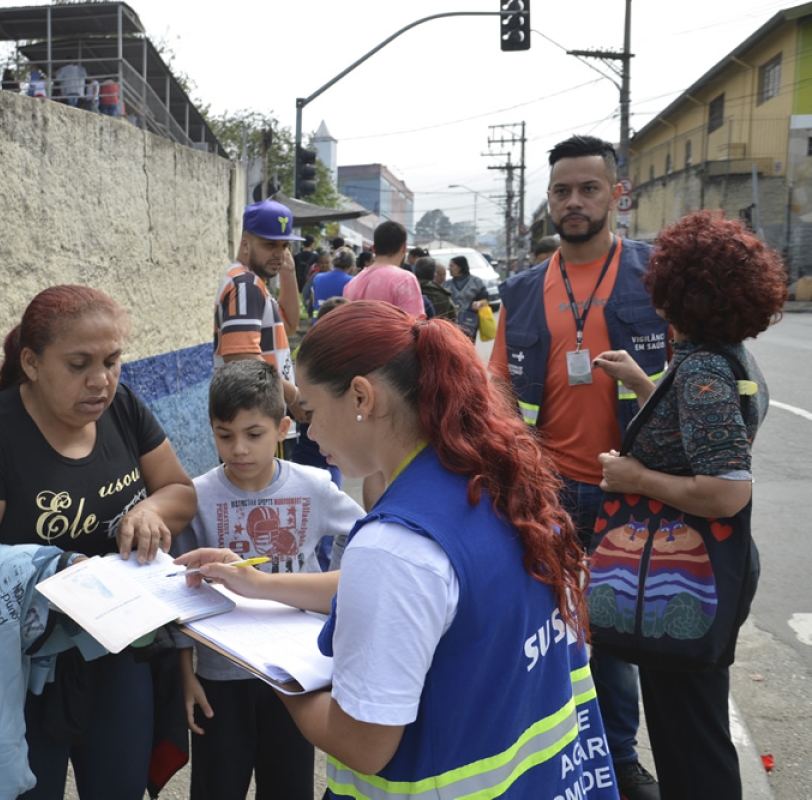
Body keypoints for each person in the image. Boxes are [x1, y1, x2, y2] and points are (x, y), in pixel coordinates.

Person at [176, 303, 618, 800]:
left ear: (362, 396)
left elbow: (361, 744)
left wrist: (280, 676)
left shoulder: (394, 547)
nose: (311, 433)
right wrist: (259, 583)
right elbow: (422, 598)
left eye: (312, 413)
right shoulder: (501, 485)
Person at [0, 285, 197, 799]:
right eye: (79, 364)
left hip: (112, 645)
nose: (101, 381)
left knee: (120, 786)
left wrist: (148, 509)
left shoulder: (121, 408)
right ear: (30, 363)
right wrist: (47, 570)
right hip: (18, 659)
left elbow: (180, 491)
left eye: (112, 360)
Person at [489, 134, 671, 800]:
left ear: (618, 196)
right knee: (550, 627)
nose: (574, 201)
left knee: (618, 636)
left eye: (589, 188)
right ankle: (561, 748)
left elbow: (695, 385)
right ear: (549, 200)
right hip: (550, 493)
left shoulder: (656, 278)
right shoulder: (524, 290)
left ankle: (619, 756)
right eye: (562, 190)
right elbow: (501, 399)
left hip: (634, 490)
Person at [592, 211, 787, 800]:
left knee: (689, 736)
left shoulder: (702, 368)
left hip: (688, 571)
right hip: (700, 567)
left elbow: (727, 492)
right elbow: (701, 433)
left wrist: (635, 476)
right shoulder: (725, 356)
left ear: (676, 292)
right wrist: (645, 386)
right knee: (690, 722)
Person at [172, 360, 362, 800]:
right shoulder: (198, 495)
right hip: (221, 675)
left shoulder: (313, 485)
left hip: (296, 673)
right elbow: (179, 588)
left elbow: (363, 535)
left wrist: (334, 585)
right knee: (217, 788)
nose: (238, 449)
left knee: (289, 787)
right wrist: (187, 675)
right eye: (224, 435)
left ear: (282, 428)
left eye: (253, 434)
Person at [213, 199, 307, 454]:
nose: (279, 253)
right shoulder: (245, 285)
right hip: (256, 418)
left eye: (284, 245)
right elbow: (241, 356)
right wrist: (292, 395)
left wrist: (289, 274)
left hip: (260, 418)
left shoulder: (253, 282)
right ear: (245, 243)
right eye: (269, 244)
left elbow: (289, 326)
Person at [342, 220, 425, 318]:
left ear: (373, 248)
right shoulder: (405, 280)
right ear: (404, 247)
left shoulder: (351, 284)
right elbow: (415, 326)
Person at [444, 254, 489, 341]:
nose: (449, 268)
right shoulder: (446, 284)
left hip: (470, 322)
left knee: (468, 346)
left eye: (452, 266)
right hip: (451, 323)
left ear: (460, 267)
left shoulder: (476, 282)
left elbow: (485, 298)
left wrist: (479, 303)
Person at [413, 257, 457, 322]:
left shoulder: (408, 292)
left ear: (415, 273)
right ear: (434, 275)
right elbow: (453, 318)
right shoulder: (443, 295)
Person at [311, 249, 354, 314]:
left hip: (318, 319)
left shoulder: (318, 277)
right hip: (337, 320)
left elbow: (313, 301)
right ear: (350, 266)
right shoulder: (352, 281)